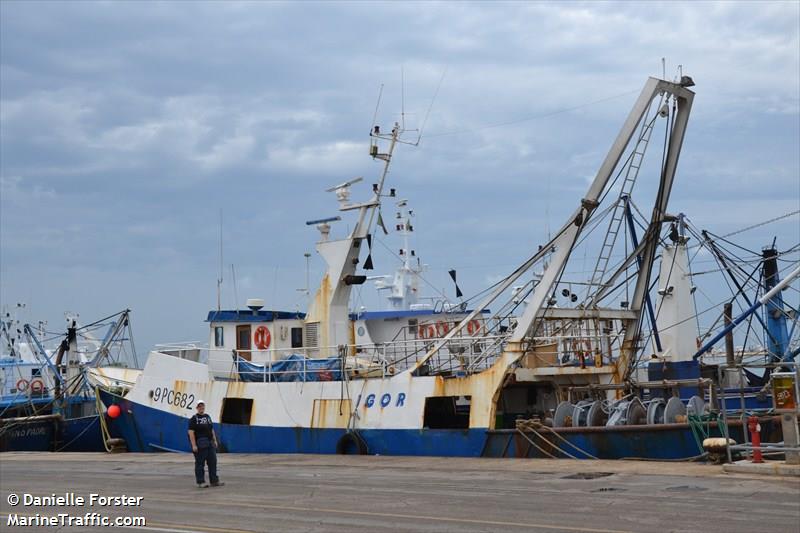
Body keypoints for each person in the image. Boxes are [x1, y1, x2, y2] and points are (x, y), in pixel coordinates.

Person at [188, 400, 224, 488]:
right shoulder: (194, 419)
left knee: (213, 462)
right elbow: (191, 432)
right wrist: (194, 445)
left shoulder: (207, 417)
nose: (201, 408)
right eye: (199, 406)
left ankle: (214, 481)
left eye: (202, 406)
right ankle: (201, 482)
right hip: (200, 444)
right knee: (200, 463)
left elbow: (212, 429)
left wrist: (215, 440)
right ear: (197, 408)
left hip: (209, 443)